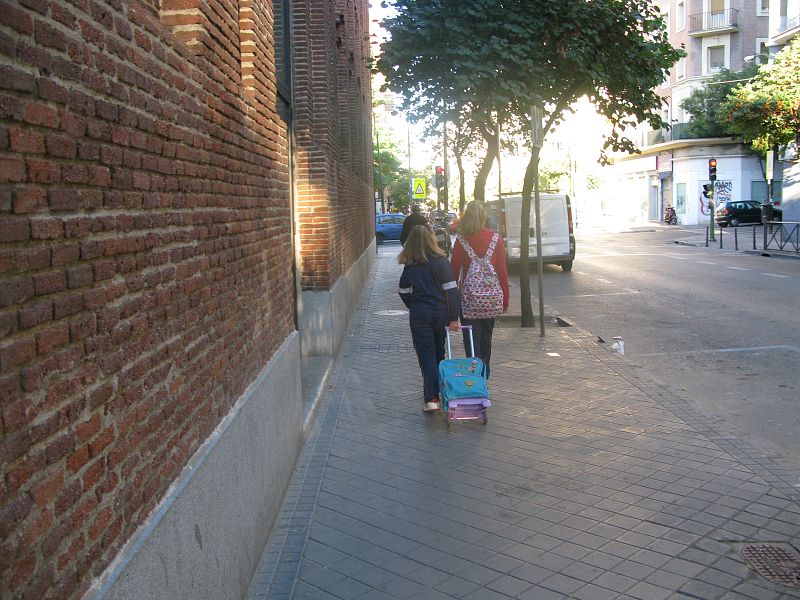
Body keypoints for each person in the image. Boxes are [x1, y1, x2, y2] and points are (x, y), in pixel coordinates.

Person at [398, 225, 461, 412]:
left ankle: (431, 398)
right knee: (439, 353)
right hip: (440, 314)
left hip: (420, 315)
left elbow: (403, 291)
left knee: (426, 355)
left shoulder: (411, 266)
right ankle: (440, 389)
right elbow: (452, 291)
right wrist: (453, 317)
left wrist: (414, 305)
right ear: (431, 240)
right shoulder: (441, 262)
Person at [450, 201, 509, 378]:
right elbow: (502, 272)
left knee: (471, 341)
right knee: (486, 339)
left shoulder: (461, 241)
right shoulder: (495, 239)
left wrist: (451, 305)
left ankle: (474, 378)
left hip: (469, 301)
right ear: (484, 216)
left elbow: (453, 274)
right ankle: (485, 377)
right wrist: (505, 298)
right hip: (490, 300)